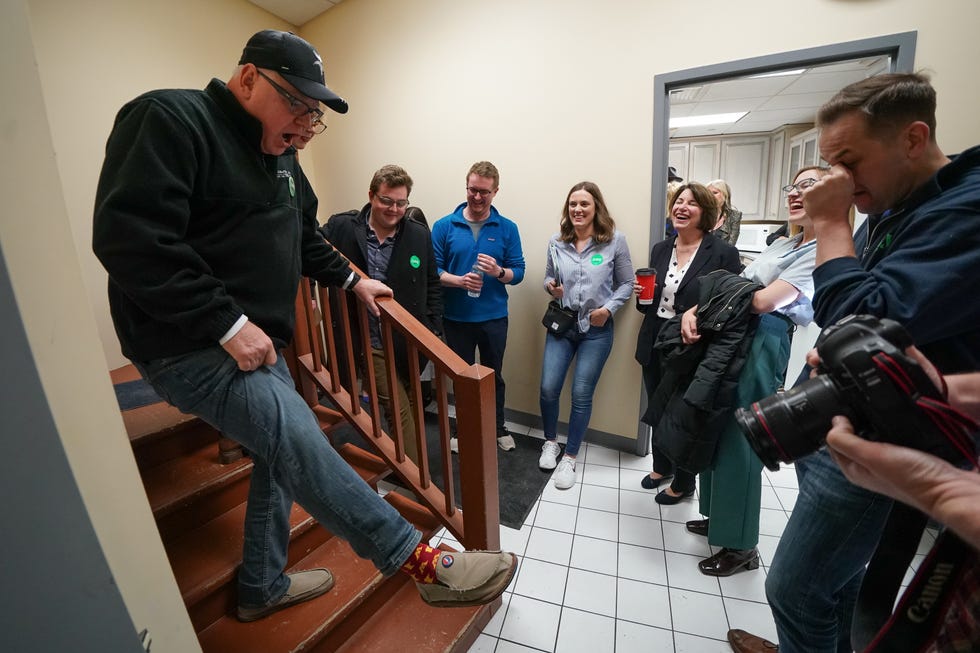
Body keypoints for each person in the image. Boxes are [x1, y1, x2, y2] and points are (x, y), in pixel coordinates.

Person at [92, 29, 516, 623]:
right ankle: (418, 562)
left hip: (255, 346)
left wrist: (353, 281)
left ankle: (261, 584)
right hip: (184, 343)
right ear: (246, 79)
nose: (304, 123)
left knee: (277, 455)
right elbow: (131, 240)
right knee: (296, 432)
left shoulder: (286, 161)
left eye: (313, 115)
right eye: (296, 103)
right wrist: (225, 323)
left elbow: (306, 239)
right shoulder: (168, 119)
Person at [728, 72, 980, 653]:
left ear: (913, 139)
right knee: (832, 588)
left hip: (892, 434)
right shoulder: (899, 202)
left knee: (792, 590)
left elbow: (857, 315)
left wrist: (831, 221)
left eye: (849, 160)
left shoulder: (964, 208)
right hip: (845, 417)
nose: (837, 180)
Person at [679, 166, 828, 577]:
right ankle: (718, 517)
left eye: (808, 185)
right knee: (717, 422)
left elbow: (763, 301)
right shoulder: (784, 244)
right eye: (792, 187)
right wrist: (702, 305)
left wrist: (725, 294)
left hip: (763, 339)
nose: (795, 194)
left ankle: (741, 545)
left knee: (741, 435)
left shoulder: (823, 251)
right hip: (735, 332)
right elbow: (738, 283)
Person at [318, 165, 442, 464]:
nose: (394, 209)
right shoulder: (343, 226)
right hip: (366, 337)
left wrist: (434, 330)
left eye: (401, 202)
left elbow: (432, 283)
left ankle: (417, 464)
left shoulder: (417, 234)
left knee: (412, 401)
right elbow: (312, 253)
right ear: (372, 196)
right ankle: (419, 482)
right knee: (397, 408)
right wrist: (310, 295)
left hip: (407, 337)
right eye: (387, 200)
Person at [634, 182, 741, 502]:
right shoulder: (661, 248)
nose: (682, 207)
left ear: (705, 212)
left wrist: (695, 313)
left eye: (691, 203)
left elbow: (731, 302)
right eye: (678, 201)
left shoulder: (723, 252)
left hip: (691, 346)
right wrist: (641, 298)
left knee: (682, 416)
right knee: (657, 406)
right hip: (655, 340)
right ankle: (661, 466)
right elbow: (651, 302)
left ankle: (684, 482)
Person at [537, 182, 634, 489]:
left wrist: (609, 308)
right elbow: (548, 278)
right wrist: (551, 287)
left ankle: (570, 458)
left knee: (581, 393)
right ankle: (551, 442)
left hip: (597, 330)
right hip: (562, 326)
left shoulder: (614, 241)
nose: (577, 210)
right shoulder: (557, 241)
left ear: (596, 208)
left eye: (584, 204)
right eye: (573, 204)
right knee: (549, 388)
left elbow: (627, 283)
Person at [431, 161, 526, 452]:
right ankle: (463, 428)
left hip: (494, 318)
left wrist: (498, 271)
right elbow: (433, 271)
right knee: (461, 378)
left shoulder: (507, 228)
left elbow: (518, 272)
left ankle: (497, 426)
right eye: (473, 190)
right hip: (456, 317)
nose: (477, 197)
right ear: (466, 187)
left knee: (493, 375)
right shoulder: (444, 226)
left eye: (484, 192)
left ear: (495, 191)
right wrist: (459, 282)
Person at [707, 179, 742, 246]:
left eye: (715, 193)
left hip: (722, 255)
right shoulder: (701, 213)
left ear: (725, 194)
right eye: (708, 193)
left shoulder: (734, 216)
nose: (710, 196)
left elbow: (730, 246)